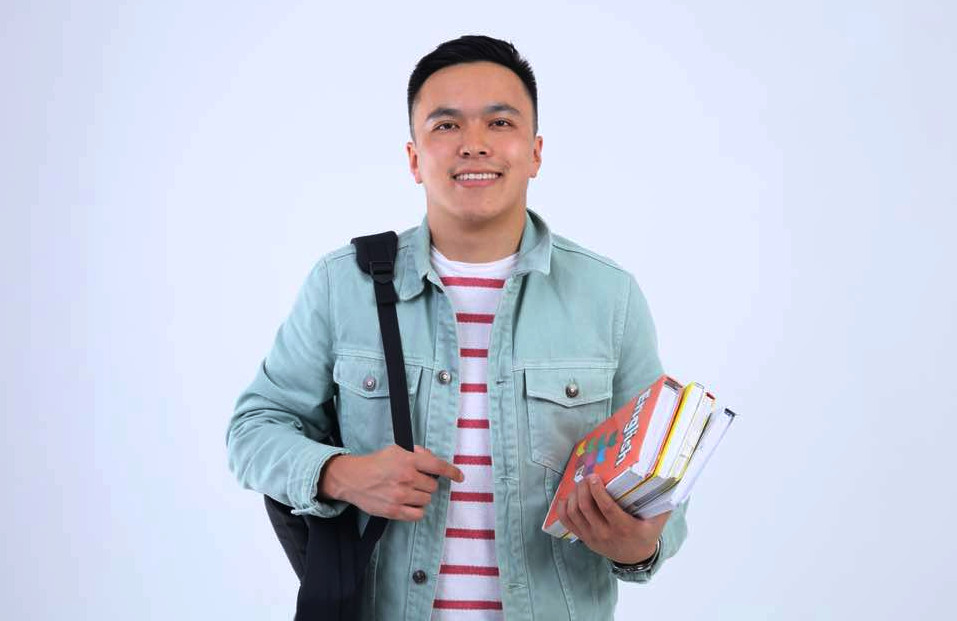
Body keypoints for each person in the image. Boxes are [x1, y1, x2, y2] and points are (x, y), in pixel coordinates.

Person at [227, 34, 688, 620]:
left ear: (536, 153)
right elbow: (253, 430)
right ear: (414, 158)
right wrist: (341, 474)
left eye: (500, 123)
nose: (474, 144)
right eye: (446, 125)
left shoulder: (610, 297)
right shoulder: (342, 285)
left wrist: (640, 547)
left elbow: (662, 482)